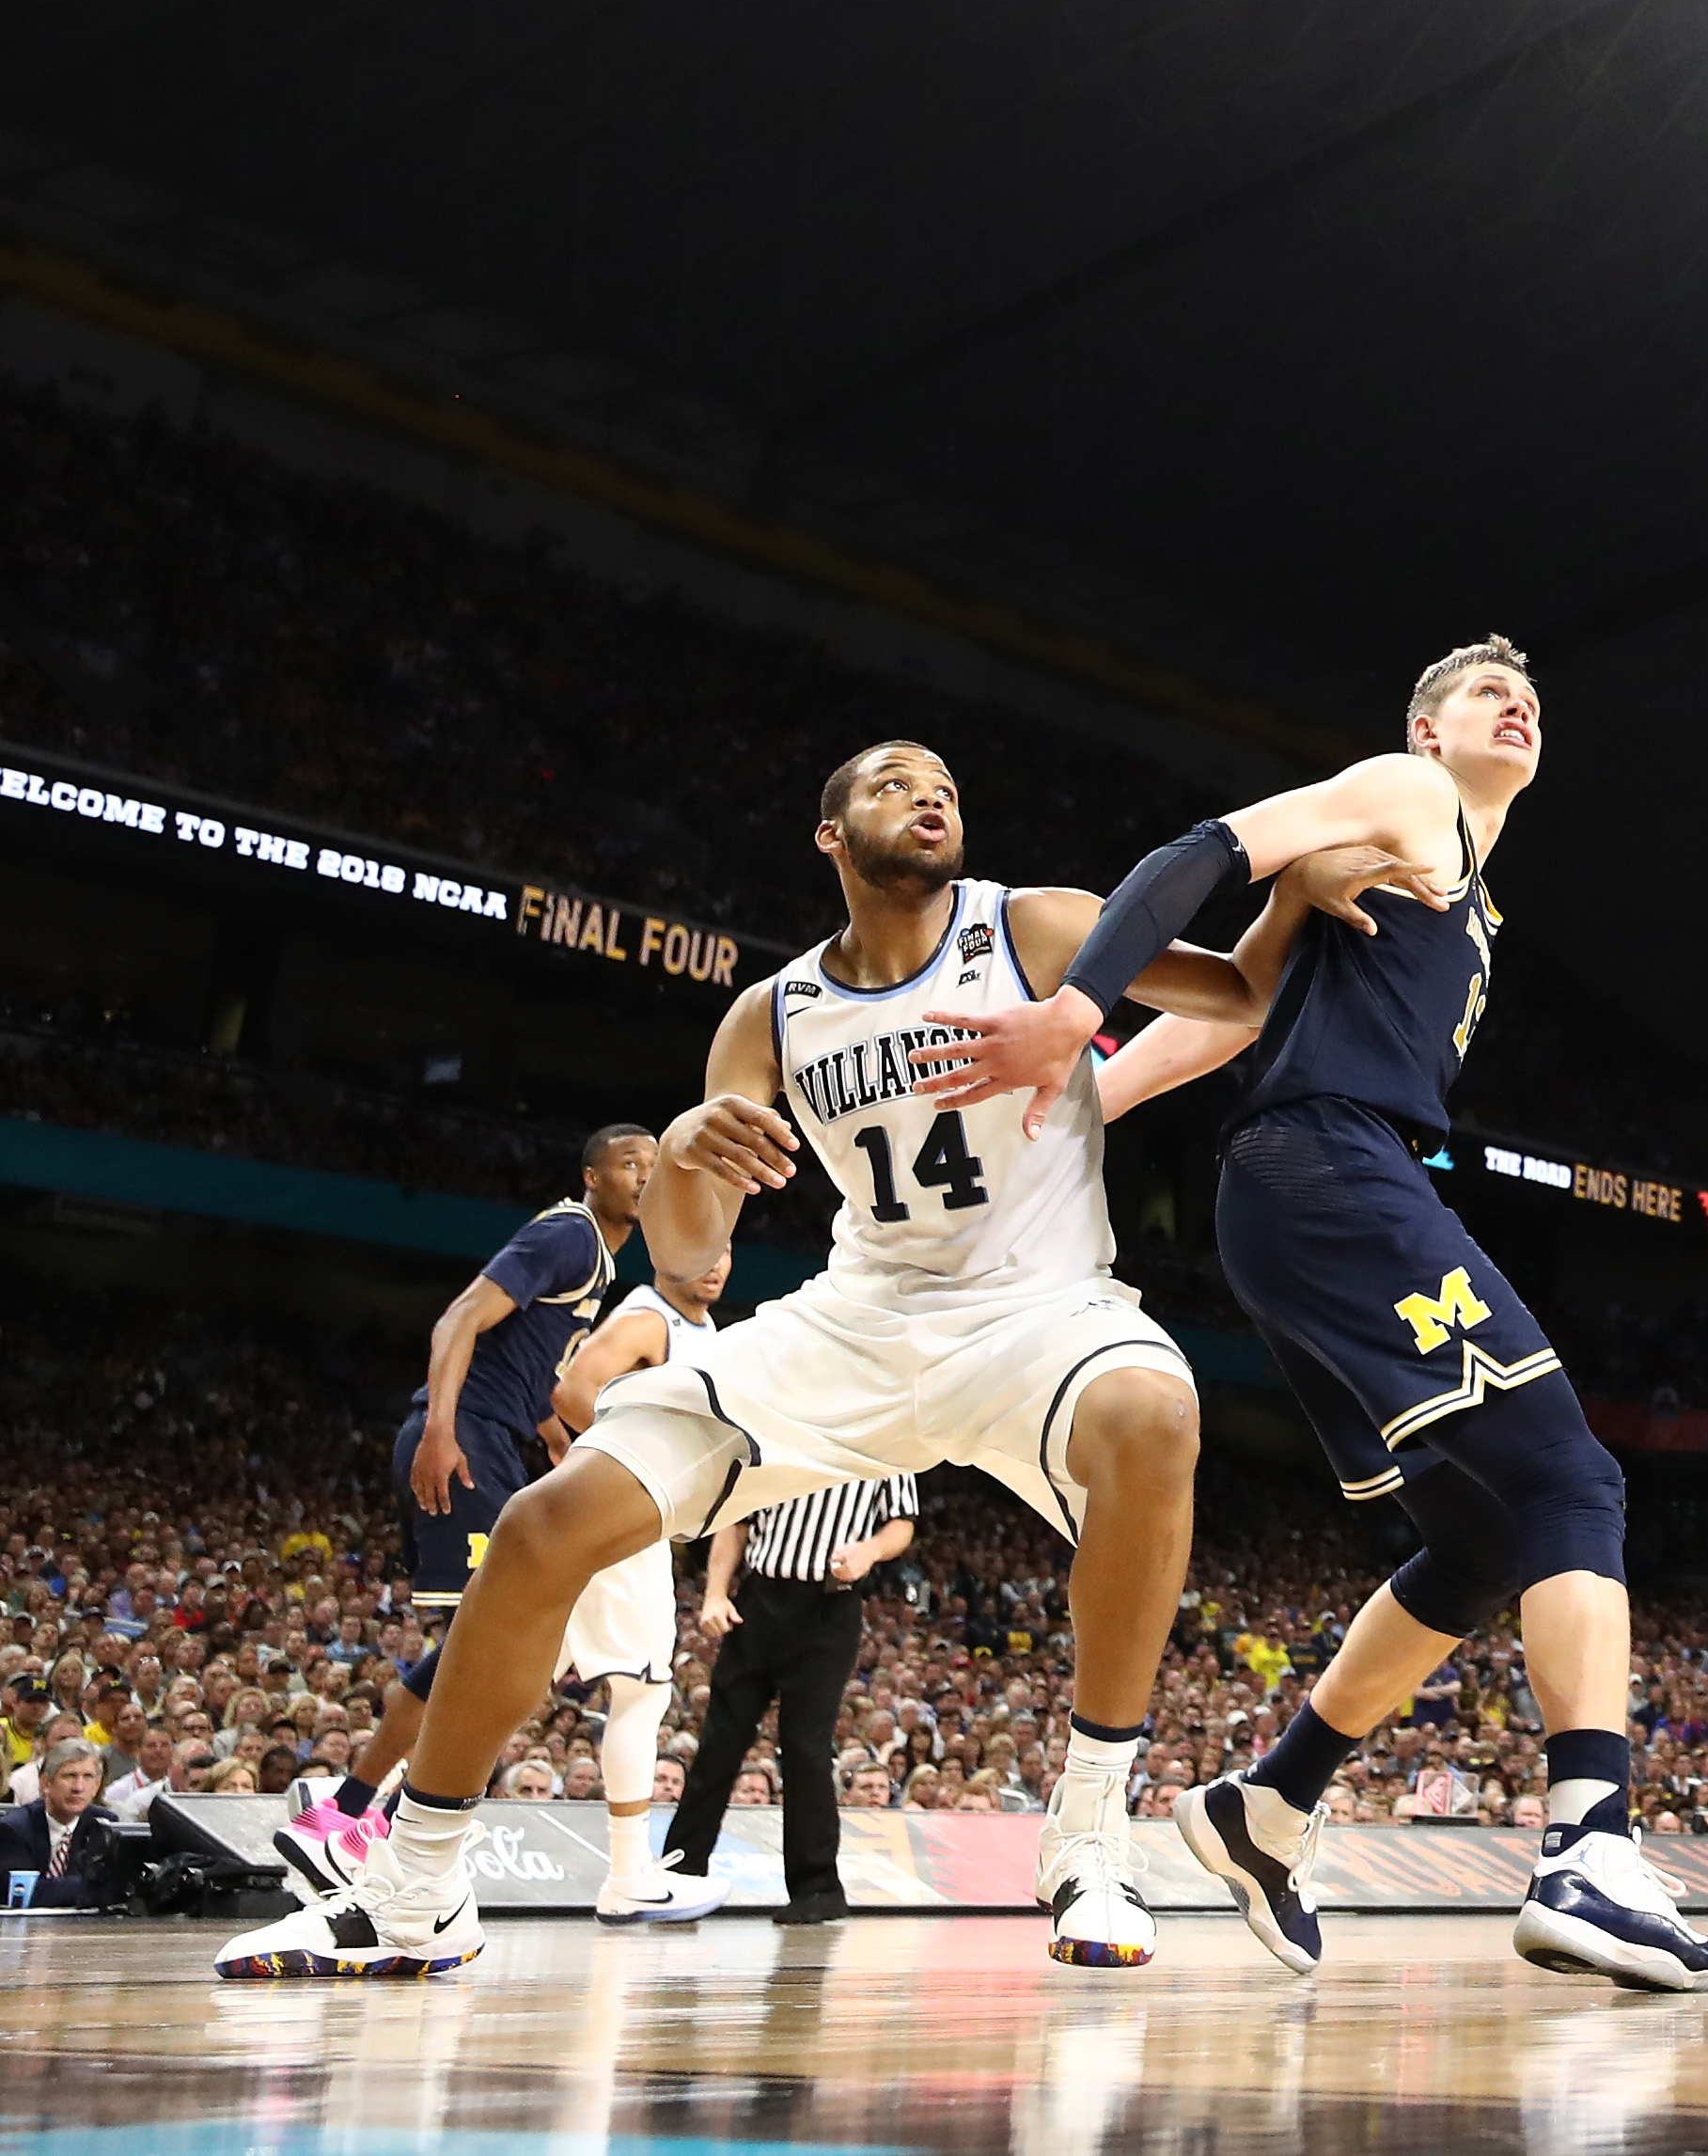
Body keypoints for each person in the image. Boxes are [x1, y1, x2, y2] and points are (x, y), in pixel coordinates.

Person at [213, 739, 1298, 1984]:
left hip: (1038, 1307)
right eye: (892, 781)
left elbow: (1238, 999)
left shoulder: (1038, 923)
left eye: (942, 780)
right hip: (858, 1314)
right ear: (832, 835)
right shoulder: (769, 1015)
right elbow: (688, 1258)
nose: (928, 792)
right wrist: (685, 1151)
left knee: (1157, 1414)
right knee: (544, 1525)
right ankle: (413, 1890)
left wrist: (1298, 893)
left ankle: (1090, 1833)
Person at [932, 639, 1708, 1993]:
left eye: (1529, 694)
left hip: (1295, 1190)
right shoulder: (1409, 804)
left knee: (1479, 1541)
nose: (1515, 701)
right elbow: (1206, 847)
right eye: (1484, 692)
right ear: (1425, 732)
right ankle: (1589, 1846)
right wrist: (1073, 1014)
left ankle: (1271, 1807)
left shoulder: (1448, 888)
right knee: (1569, 1480)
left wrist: (1076, 1115)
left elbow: (1236, 1017)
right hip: (1332, 1173)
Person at [275, 1126, 653, 1892]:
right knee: (481, 1652)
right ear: (591, 1176)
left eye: (653, 1164)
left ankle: (352, 1815)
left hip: (496, 1441)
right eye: (628, 1163)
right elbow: (458, 1319)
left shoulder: (600, 1263)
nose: (645, 1174)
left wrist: (556, 1439)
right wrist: (443, 1431)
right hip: (466, 1438)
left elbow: (534, 1373)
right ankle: (363, 1824)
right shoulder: (569, 1234)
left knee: (479, 1652)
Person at [541, 1236, 734, 1923]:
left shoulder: (701, 1329)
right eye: (700, 1247)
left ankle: (363, 1811)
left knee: (503, 1673)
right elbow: (571, 1390)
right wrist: (645, 1467)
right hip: (618, 1511)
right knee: (642, 1691)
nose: (713, 1262)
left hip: (608, 1514)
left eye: (725, 1250)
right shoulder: (650, 1318)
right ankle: (629, 1876)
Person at [667, 1474, 916, 1925]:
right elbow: (736, 1520)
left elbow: (902, 1523)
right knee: (720, 1740)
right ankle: (680, 1869)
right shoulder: (776, 1429)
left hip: (829, 1607)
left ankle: (817, 1887)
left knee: (806, 1748)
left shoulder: (887, 1441)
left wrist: (869, 1550)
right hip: (760, 1597)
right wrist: (716, 1593)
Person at [3, 1739, 132, 1910]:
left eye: (88, 1777)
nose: (78, 1787)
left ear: (97, 1786)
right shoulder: (14, 1829)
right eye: (69, 1776)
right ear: (46, 1783)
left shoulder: (104, 1825)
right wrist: (94, 1886)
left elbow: (117, 1889)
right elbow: (27, 1893)